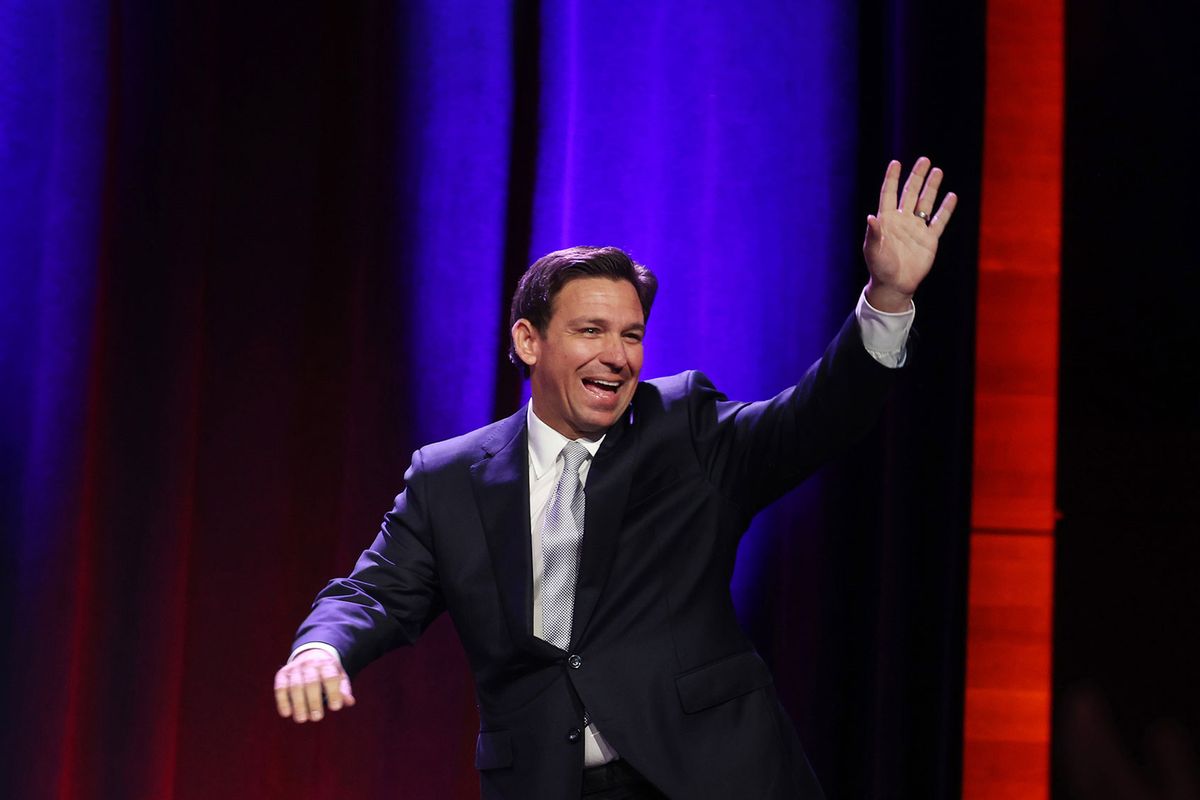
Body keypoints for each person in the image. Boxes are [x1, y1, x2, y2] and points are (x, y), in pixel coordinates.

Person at [274, 158, 957, 799]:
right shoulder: (450, 478)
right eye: (591, 331)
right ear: (528, 341)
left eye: (631, 335)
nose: (617, 356)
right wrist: (320, 649)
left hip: (711, 773)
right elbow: (374, 592)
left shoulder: (686, 427)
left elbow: (814, 419)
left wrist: (888, 296)